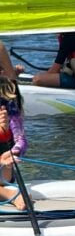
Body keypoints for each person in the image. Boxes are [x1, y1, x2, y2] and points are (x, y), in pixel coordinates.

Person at [0, 77, 28, 211]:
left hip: (4, 168)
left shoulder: (10, 115)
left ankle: (12, 195)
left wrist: (13, 152)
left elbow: (21, 141)